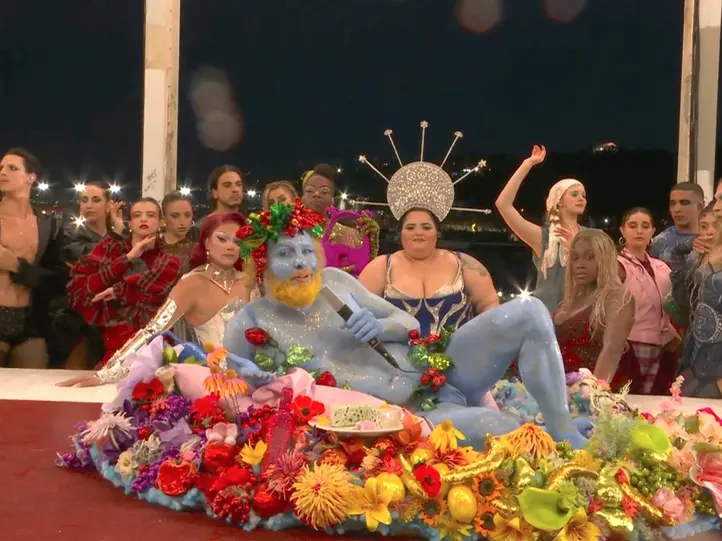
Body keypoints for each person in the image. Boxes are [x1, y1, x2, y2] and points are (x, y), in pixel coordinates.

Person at [222, 200, 587, 450]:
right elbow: (232, 398)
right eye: (286, 253)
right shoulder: (248, 324)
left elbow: (406, 321)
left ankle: (563, 429)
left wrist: (379, 326)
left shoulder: (335, 281)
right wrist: (261, 384)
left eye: (306, 251)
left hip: (438, 369)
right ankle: (539, 434)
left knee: (529, 310)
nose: (302, 263)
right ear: (262, 261)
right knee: (505, 431)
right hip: (406, 416)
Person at [58, 213, 251, 388]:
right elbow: (153, 331)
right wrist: (106, 374)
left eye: (237, 241)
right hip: (209, 385)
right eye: (222, 239)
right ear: (207, 243)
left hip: (252, 380)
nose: (230, 246)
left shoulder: (249, 282)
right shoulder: (192, 283)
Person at [66, 198, 183, 366]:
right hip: (103, 341)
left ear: (161, 222)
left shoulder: (168, 261)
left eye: (150, 215)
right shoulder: (110, 249)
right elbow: (86, 289)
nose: (143, 219)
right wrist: (128, 258)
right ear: (130, 222)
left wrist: (118, 291)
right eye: (137, 215)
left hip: (150, 344)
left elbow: (154, 295)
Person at [360, 207, 499, 336]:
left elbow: (489, 305)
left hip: (460, 352)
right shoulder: (379, 267)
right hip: (394, 354)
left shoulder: (465, 264)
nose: (418, 233)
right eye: (410, 227)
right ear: (400, 233)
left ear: (437, 232)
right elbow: (358, 310)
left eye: (426, 227)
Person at [495, 145, 588, 312]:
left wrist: (575, 248)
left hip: (584, 317)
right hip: (548, 318)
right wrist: (528, 163)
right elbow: (503, 205)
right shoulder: (543, 237)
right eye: (574, 194)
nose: (581, 198)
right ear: (559, 201)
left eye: (583, 195)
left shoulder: (592, 236)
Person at [0, 147, 69, 368]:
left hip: (30, 320)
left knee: (35, 382)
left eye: (12, 168)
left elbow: (59, 278)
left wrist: (19, 268)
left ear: (31, 177)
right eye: (1, 167)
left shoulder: (47, 225)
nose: (3, 172)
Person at [553, 230, 639, 391]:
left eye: (589, 257)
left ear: (604, 259)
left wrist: (591, 393)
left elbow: (612, 349)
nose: (580, 264)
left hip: (600, 391)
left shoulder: (617, 296)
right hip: (562, 390)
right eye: (575, 258)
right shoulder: (567, 302)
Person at [617, 207, 680, 394]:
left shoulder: (662, 267)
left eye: (645, 226)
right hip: (629, 344)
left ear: (653, 231)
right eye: (632, 226)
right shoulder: (616, 265)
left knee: (656, 400)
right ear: (622, 231)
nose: (639, 231)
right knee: (629, 398)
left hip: (663, 345)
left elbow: (671, 305)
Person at [668, 204, 722, 397]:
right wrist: (684, 247)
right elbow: (683, 302)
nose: (709, 232)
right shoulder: (696, 261)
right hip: (695, 351)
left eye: (715, 225)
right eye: (704, 226)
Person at [301, 164, 379, 275]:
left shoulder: (349, 235)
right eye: (310, 190)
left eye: (324, 191)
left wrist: (372, 243)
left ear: (332, 200)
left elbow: (365, 271)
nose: (316, 194)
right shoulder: (291, 233)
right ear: (302, 198)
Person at [63, 182, 125, 265]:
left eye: (96, 200)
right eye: (84, 200)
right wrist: (116, 233)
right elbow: (94, 258)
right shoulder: (69, 236)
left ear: (108, 205)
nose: (89, 206)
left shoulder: (122, 239)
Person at [649, 182, 704, 266]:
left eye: (684, 203)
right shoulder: (659, 242)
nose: (677, 209)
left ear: (699, 206)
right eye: (673, 203)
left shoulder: (712, 238)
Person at [158, 191, 197, 265]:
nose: (182, 222)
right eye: (175, 216)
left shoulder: (197, 251)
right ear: (164, 218)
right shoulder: (152, 247)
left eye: (187, 215)